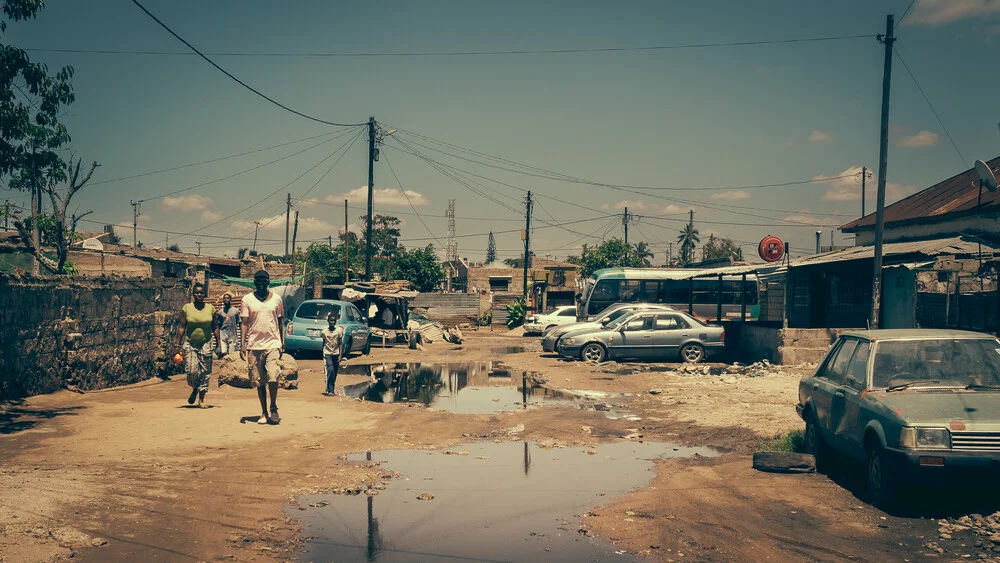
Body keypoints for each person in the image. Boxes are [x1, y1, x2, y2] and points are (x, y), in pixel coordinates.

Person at [239, 270, 285, 425]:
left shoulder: (277, 299)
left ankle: (273, 407)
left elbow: (280, 322)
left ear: (268, 282)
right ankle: (264, 412)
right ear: (254, 282)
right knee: (259, 381)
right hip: (254, 344)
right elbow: (244, 323)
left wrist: (282, 342)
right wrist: (242, 344)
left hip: (273, 343)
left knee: (273, 376)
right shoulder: (247, 300)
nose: (261, 283)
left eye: (264, 281)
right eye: (258, 281)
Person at [174, 282, 220, 408]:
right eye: (197, 293)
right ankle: (195, 388)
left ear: (204, 294)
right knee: (192, 370)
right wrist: (177, 345)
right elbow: (182, 327)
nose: (199, 294)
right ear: (193, 294)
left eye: (201, 292)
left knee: (205, 372)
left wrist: (219, 345)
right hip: (190, 344)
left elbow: (215, 327)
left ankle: (202, 399)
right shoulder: (187, 308)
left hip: (206, 343)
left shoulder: (210, 308)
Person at [321, 310, 346, 396]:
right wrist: (323, 353)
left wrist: (340, 355)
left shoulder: (338, 331)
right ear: (328, 321)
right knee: (330, 370)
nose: (333, 322)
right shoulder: (324, 332)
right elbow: (323, 343)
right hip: (327, 353)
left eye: (334, 321)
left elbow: (340, 343)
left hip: (336, 353)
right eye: (331, 320)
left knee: (334, 372)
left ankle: (332, 387)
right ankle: (329, 389)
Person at [216, 292, 240, 358]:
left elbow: (239, 322)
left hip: (232, 337)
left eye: (228, 298)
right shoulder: (220, 312)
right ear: (223, 300)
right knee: (223, 354)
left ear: (230, 300)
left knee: (232, 355)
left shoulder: (235, 311)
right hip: (223, 336)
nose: (226, 299)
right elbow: (218, 325)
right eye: (225, 298)